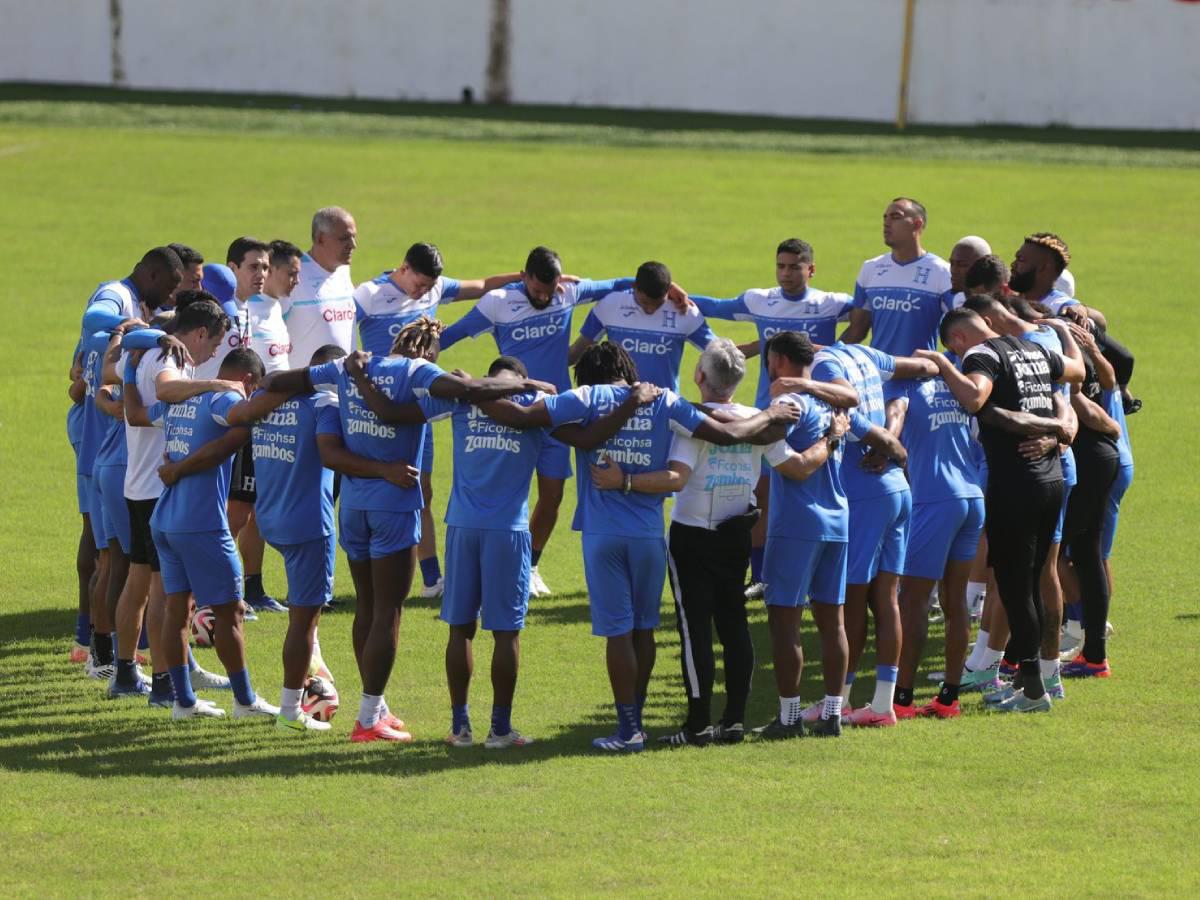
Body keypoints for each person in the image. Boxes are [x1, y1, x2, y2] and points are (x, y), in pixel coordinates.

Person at [488, 341, 798, 752]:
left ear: (587, 375)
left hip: (603, 535)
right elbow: (725, 433)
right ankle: (641, 714)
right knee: (645, 628)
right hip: (650, 534)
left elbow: (525, 418)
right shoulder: (664, 400)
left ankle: (628, 727)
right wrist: (773, 414)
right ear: (626, 367)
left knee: (618, 633)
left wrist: (482, 389)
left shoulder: (586, 398)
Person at [262, 317, 554, 743]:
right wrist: (530, 387)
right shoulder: (418, 373)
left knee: (365, 607)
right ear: (430, 352)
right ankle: (368, 719)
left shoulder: (347, 366)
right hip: (394, 507)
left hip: (353, 508)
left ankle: (375, 706)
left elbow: (284, 381)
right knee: (388, 613)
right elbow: (469, 392)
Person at [439, 246, 683, 597]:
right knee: (508, 493)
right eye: (537, 291)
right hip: (514, 416)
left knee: (552, 496)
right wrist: (417, 357)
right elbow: (454, 334)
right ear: (524, 277)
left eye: (549, 291)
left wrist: (671, 288)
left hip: (556, 413)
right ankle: (490, 568)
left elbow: (617, 283)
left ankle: (530, 566)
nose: (543, 297)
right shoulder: (498, 303)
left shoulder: (569, 292)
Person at [625, 340, 834, 746]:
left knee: (694, 631)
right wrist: (832, 439)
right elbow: (797, 467)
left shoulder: (692, 423)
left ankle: (698, 725)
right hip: (736, 534)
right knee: (734, 626)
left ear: (700, 376)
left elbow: (678, 477)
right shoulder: (760, 422)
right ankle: (733, 720)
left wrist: (628, 481)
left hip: (692, 536)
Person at [917, 308, 1082, 713]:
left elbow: (974, 397)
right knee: (1034, 580)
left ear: (956, 340)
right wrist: (1055, 426)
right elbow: (1076, 371)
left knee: (1014, 587)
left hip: (1015, 485)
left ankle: (1032, 692)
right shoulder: (1030, 349)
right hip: (1051, 481)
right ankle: (1037, 680)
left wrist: (942, 366)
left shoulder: (979, 357)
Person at [353, 241, 523, 600]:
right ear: (404, 268)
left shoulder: (436, 288)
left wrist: (525, 278)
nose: (424, 292)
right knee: (372, 485)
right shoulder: (369, 295)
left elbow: (484, 285)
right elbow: (330, 321)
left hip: (418, 410)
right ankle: (372, 568)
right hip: (374, 407)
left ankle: (431, 579)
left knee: (420, 489)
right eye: (420, 284)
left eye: (430, 287)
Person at [688, 238, 856, 596]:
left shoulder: (830, 304)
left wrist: (839, 348)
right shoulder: (760, 300)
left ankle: (808, 578)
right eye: (781, 265)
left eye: (794, 266)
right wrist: (677, 296)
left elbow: (867, 312)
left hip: (810, 414)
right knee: (761, 494)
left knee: (808, 489)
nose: (786, 273)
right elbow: (714, 306)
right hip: (769, 414)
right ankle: (761, 576)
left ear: (811, 269)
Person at [149, 347, 291, 720]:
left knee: (176, 612)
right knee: (230, 615)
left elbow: (132, 414)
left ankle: (183, 702)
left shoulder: (181, 399)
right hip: (202, 524)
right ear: (247, 381)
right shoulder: (226, 398)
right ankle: (245, 702)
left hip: (165, 519)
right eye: (255, 389)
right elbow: (222, 446)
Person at [806, 341, 938, 725]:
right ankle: (882, 704)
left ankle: (841, 700)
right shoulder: (865, 354)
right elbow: (923, 369)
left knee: (851, 598)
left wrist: (881, 440)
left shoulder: (824, 364)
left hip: (863, 490)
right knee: (887, 598)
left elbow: (844, 405)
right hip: (897, 488)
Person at [117, 297, 239, 704]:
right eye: (215, 344)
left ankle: (125, 673)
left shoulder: (147, 351)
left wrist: (133, 364)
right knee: (166, 595)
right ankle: (166, 684)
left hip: (137, 484)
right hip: (157, 490)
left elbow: (131, 407)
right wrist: (215, 384)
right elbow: (168, 391)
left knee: (138, 585)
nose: (213, 355)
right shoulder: (172, 357)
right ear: (200, 333)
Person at [753, 332, 857, 739]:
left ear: (776, 360)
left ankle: (790, 717)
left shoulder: (788, 405)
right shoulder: (833, 401)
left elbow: (793, 468)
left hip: (797, 525)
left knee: (785, 622)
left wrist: (827, 441)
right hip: (838, 520)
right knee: (833, 622)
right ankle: (832, 713)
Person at [250, 344, 345, 733]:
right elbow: (335, 454)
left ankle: (311, 679)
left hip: (271, 518)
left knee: (306, 621)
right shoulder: (325, 406)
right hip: (309, 525)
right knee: (303, 622)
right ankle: (291, 710)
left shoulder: (267, 398)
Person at [888, 362, 986, 720]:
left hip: (935, 499)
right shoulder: (953, 387)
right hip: (973, 497)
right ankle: (949, 698)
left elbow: (894, 424)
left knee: (912, 600)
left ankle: (901, 698)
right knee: (954, 599)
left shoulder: (902, 389)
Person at [200, 238, 284, 614]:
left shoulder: (251, 310)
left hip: (243, 418)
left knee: (248, 508)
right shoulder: (214, 313)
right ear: (232, 269)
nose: (262, 274)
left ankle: (241, 588)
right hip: (216, 421)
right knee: (230, 510)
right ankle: (212, 594)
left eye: (266, 267)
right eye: (253, 267)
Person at [1057, 321, 1122, 679]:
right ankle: (1092, 649)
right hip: (1100, 456)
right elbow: (1111, 379)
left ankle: (1083, 644)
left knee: (1062, 554)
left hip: (1087, 460)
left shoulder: (1057, 355)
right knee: (1084, 553)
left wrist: (1107, 426)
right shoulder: (1081, 350)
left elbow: (1077, 400)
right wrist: (1111, 428)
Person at [570, 261, 716, 392]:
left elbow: (721, 353)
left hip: (665, 408)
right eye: (645, 303)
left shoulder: (684, 312)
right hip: (619, 408)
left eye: (659, 304)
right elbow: (576, 352)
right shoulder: (610, 305)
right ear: (634, 287)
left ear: (668, 291)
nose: (650, 310)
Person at [839, 198, 955, 355]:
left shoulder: (941, 272)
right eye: (885, 217)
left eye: (895, 217)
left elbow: (961, 329)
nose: (886, 223)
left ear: (917, 224)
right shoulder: (870, 268)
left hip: (919, 376)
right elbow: (857, 331)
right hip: (878, 376)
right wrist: (830, 355)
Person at [282, 206, 357, 369]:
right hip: (305, 388)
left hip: (344, 386)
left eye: (354, 237)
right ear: (321, 238)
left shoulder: (343, 270)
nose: (353, 245)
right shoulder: (293, 273)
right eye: (344, 238)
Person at [246, 239, 302, 374]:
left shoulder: (278, 306)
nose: (297, 281)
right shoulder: (247, 310)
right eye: (291, 274)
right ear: (269, 270)